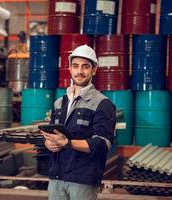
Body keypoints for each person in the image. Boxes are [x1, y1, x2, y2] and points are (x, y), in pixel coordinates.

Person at [41, 44, 116, 200]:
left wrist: (67, 143)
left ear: (94, 70)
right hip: (57, 177)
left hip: (83, 180)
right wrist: (49, 143)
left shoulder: (103, 104)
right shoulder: (58, 103)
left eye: (85, 67)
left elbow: (102, 144)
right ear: (69, 68)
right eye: (75, 66)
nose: (79, 71)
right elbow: (52, 136)